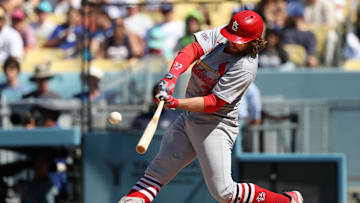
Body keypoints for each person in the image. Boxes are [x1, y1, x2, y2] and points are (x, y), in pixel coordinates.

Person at [118, 10, 303, 203]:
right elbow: (192, 49)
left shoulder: (245, 66)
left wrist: (176, 103)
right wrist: (172, 76)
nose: (232, 41)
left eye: (238, 40)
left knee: (224, 193)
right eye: (232, 36)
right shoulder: (225, 34)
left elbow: (213, 103)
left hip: (216, 125)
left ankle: (285, 201)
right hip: (190, 118)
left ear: (253, 41)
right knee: (157, 171)